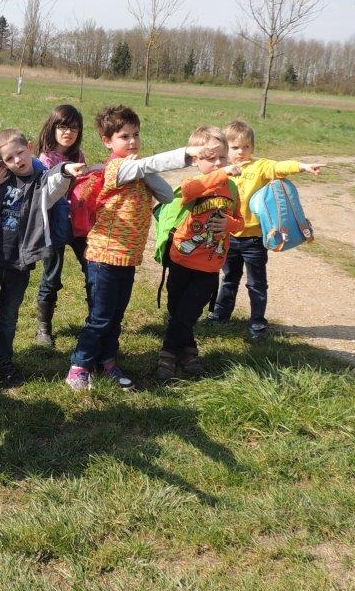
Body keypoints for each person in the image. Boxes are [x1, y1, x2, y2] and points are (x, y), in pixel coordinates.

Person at [66, 105, 192, 392]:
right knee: (100, 317)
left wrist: (144, 171)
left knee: (116, 316)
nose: (133, 141)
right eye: (124, 136)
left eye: (136, 135)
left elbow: (165, 194)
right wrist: (187, 155)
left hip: (127, 258)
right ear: (107, 141)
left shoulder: (137, 171)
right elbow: (142, 167)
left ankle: (107, 361)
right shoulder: (116, 167)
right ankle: (79, 365)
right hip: (104, 255)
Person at [0, 128, 84, 392]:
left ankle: (3, 364)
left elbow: (56, 181)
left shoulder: (40, 181)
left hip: (20, 262)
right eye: (9, 158)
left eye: (20, 153)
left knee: (9, 317)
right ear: (2, 163)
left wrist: (65, 170)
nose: (17, 161)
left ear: (29, 147)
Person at [207, 119, 324, 337]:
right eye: (235, 148)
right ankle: (219, 315)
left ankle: (257, 321)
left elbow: (279, 167)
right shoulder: (221, 169)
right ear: (226, 148)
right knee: (229, 278)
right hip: (228, 236)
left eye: (247, 147)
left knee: (256, 283)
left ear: (253, 147)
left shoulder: (259, 167)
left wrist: (303, 166)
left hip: (254, 239)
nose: (241, 152)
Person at [156, 127, 244, 383]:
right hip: (181, 259)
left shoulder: (232, 190)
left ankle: (167, 354)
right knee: (177, 308)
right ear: (196, 159)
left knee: (190, 310)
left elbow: (240, 221)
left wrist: (230, 225)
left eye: (222, 158)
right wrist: (218, 175)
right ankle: (190, 351)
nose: (218, 163)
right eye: (210, 158)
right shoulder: (195, 184)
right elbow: (186, 192)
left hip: (210, 265)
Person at [33, 104, 89, 347]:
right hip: (53, 224)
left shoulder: (79, 156)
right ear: (52, 128)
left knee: (92, 269)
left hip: (78, 222)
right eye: (63, 126)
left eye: (74, 128)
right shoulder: (43, 159)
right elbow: (44, 196)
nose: (68, 132)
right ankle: (43, 327)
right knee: (51, 276)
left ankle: (95, 320)